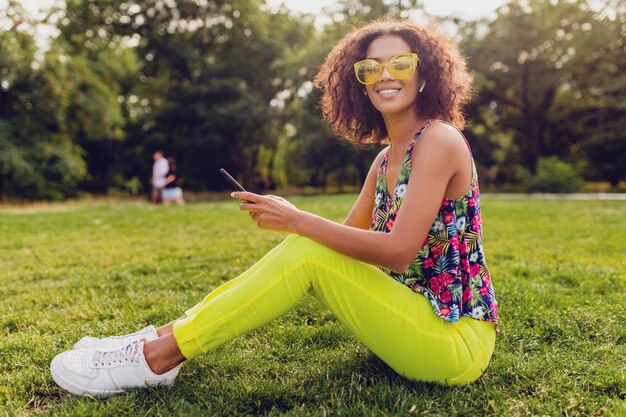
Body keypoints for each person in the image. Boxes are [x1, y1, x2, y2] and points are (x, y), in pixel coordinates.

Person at [50, 18, 499, 398]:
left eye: (401, 63)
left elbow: (399, 251)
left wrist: (297, 220)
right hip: (416, 319)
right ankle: (159, 337)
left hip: (453, 343)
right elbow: (338, 248)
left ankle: (156, 359)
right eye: (371, 67)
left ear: (425, 76)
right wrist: (293, 220)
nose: (386, 75)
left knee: (305, 245)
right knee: (306, 246)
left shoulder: (438, 140)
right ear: (359, 82)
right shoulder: (385, 160)